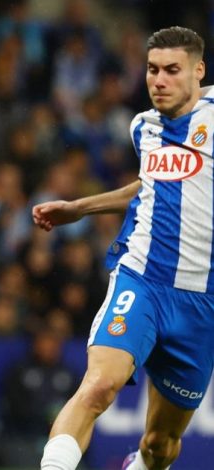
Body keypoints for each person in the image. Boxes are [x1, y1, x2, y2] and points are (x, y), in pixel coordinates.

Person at [33, 26, 214, 470]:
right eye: (153, 70)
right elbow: (152, 183)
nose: (159, 81)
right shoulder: (143, 127)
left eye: (172, 70)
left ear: (199, 71)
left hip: (201, 302)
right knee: (98, 386)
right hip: (142, 281)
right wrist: (80, 208)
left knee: (160, 444)